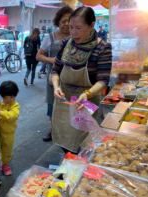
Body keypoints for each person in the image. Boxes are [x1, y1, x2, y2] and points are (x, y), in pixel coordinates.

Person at [51, 7, 112, 153]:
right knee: (63, 138)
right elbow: (55, 70)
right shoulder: (66, 43)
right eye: (71, 27)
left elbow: (103, 80)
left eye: (78, 28)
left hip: (86, 101)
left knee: (81, 140)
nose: (73, 32)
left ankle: (77, 168)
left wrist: (86, 94)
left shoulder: (102, 48)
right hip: (63, 98)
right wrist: (55, 86)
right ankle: (68, 164)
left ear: (92, 25)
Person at [36, 6, 73, 142]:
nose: (66, 24)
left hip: (72, 80)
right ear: (58, 22)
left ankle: (68, 131)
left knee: (70, 106)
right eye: (63, 21)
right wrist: (54, 60)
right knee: (52, 105)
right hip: (53, 79)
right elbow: (39, 56)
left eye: (69, 20)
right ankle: (54, 130)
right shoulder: (50, 38)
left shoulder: (77, 37)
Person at [0, 81, 20, 185]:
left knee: (7, 149)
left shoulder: (15, 105)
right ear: (2, 96)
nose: (8, 100)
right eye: (6, 97)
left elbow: (13, 116)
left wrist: (0, 113)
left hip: (9, 132)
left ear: (15, 96)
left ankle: (5, 164)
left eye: (11, 97)